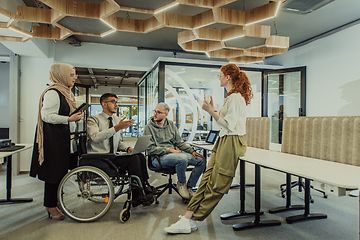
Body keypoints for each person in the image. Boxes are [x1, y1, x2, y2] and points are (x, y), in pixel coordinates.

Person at [164, 63, 253, 234]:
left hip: (231, 142)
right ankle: (187, 218)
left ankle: (194, 218)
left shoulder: (236, 98)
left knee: (217, 184)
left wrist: (211, 111)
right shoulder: (231, 97)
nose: (218, 78)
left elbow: (229, 125)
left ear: (228, 77)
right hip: (224, 141)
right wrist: (211, 110)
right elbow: (226, 125)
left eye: (220, 75)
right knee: (205, 181)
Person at [30, 63, 84, 220]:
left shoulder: (66, 93)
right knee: (53, 174)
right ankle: (50, 206)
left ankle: (56, 201)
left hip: (62, 139)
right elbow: (46, 116)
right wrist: (69, 118)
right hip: (53, 140)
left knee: (60, 173)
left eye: (74, 74)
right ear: (61, 75)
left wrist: (73, 117)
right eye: (71, 74)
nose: (74, 78)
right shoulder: (53, 93)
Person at [86, 93, 155, 207]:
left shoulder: (117, 120)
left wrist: (127, 148)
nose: (116, 105)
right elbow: (95, 137)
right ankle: (137, 195)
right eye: (113, 102)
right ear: (104, 104)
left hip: (112, 157)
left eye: (117, 102)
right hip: (100, 158)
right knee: (133, 160)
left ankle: (144, 186)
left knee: (139, 156)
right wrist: (117, 128)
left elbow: (118, 143)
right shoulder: (93, 119)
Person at [144, 102, 206, 199]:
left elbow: (179, 143)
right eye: (155, 111)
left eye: (158, 112)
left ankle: (189, 186)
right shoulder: (148, 127)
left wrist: (191, 151)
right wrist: (169, 150)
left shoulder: (171, 125)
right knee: (182, 158)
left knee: (201, 161)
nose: (155, 114)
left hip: (175, 155)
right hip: (158, 158)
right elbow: (150, 149)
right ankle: (181, 184)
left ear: (166, 114)